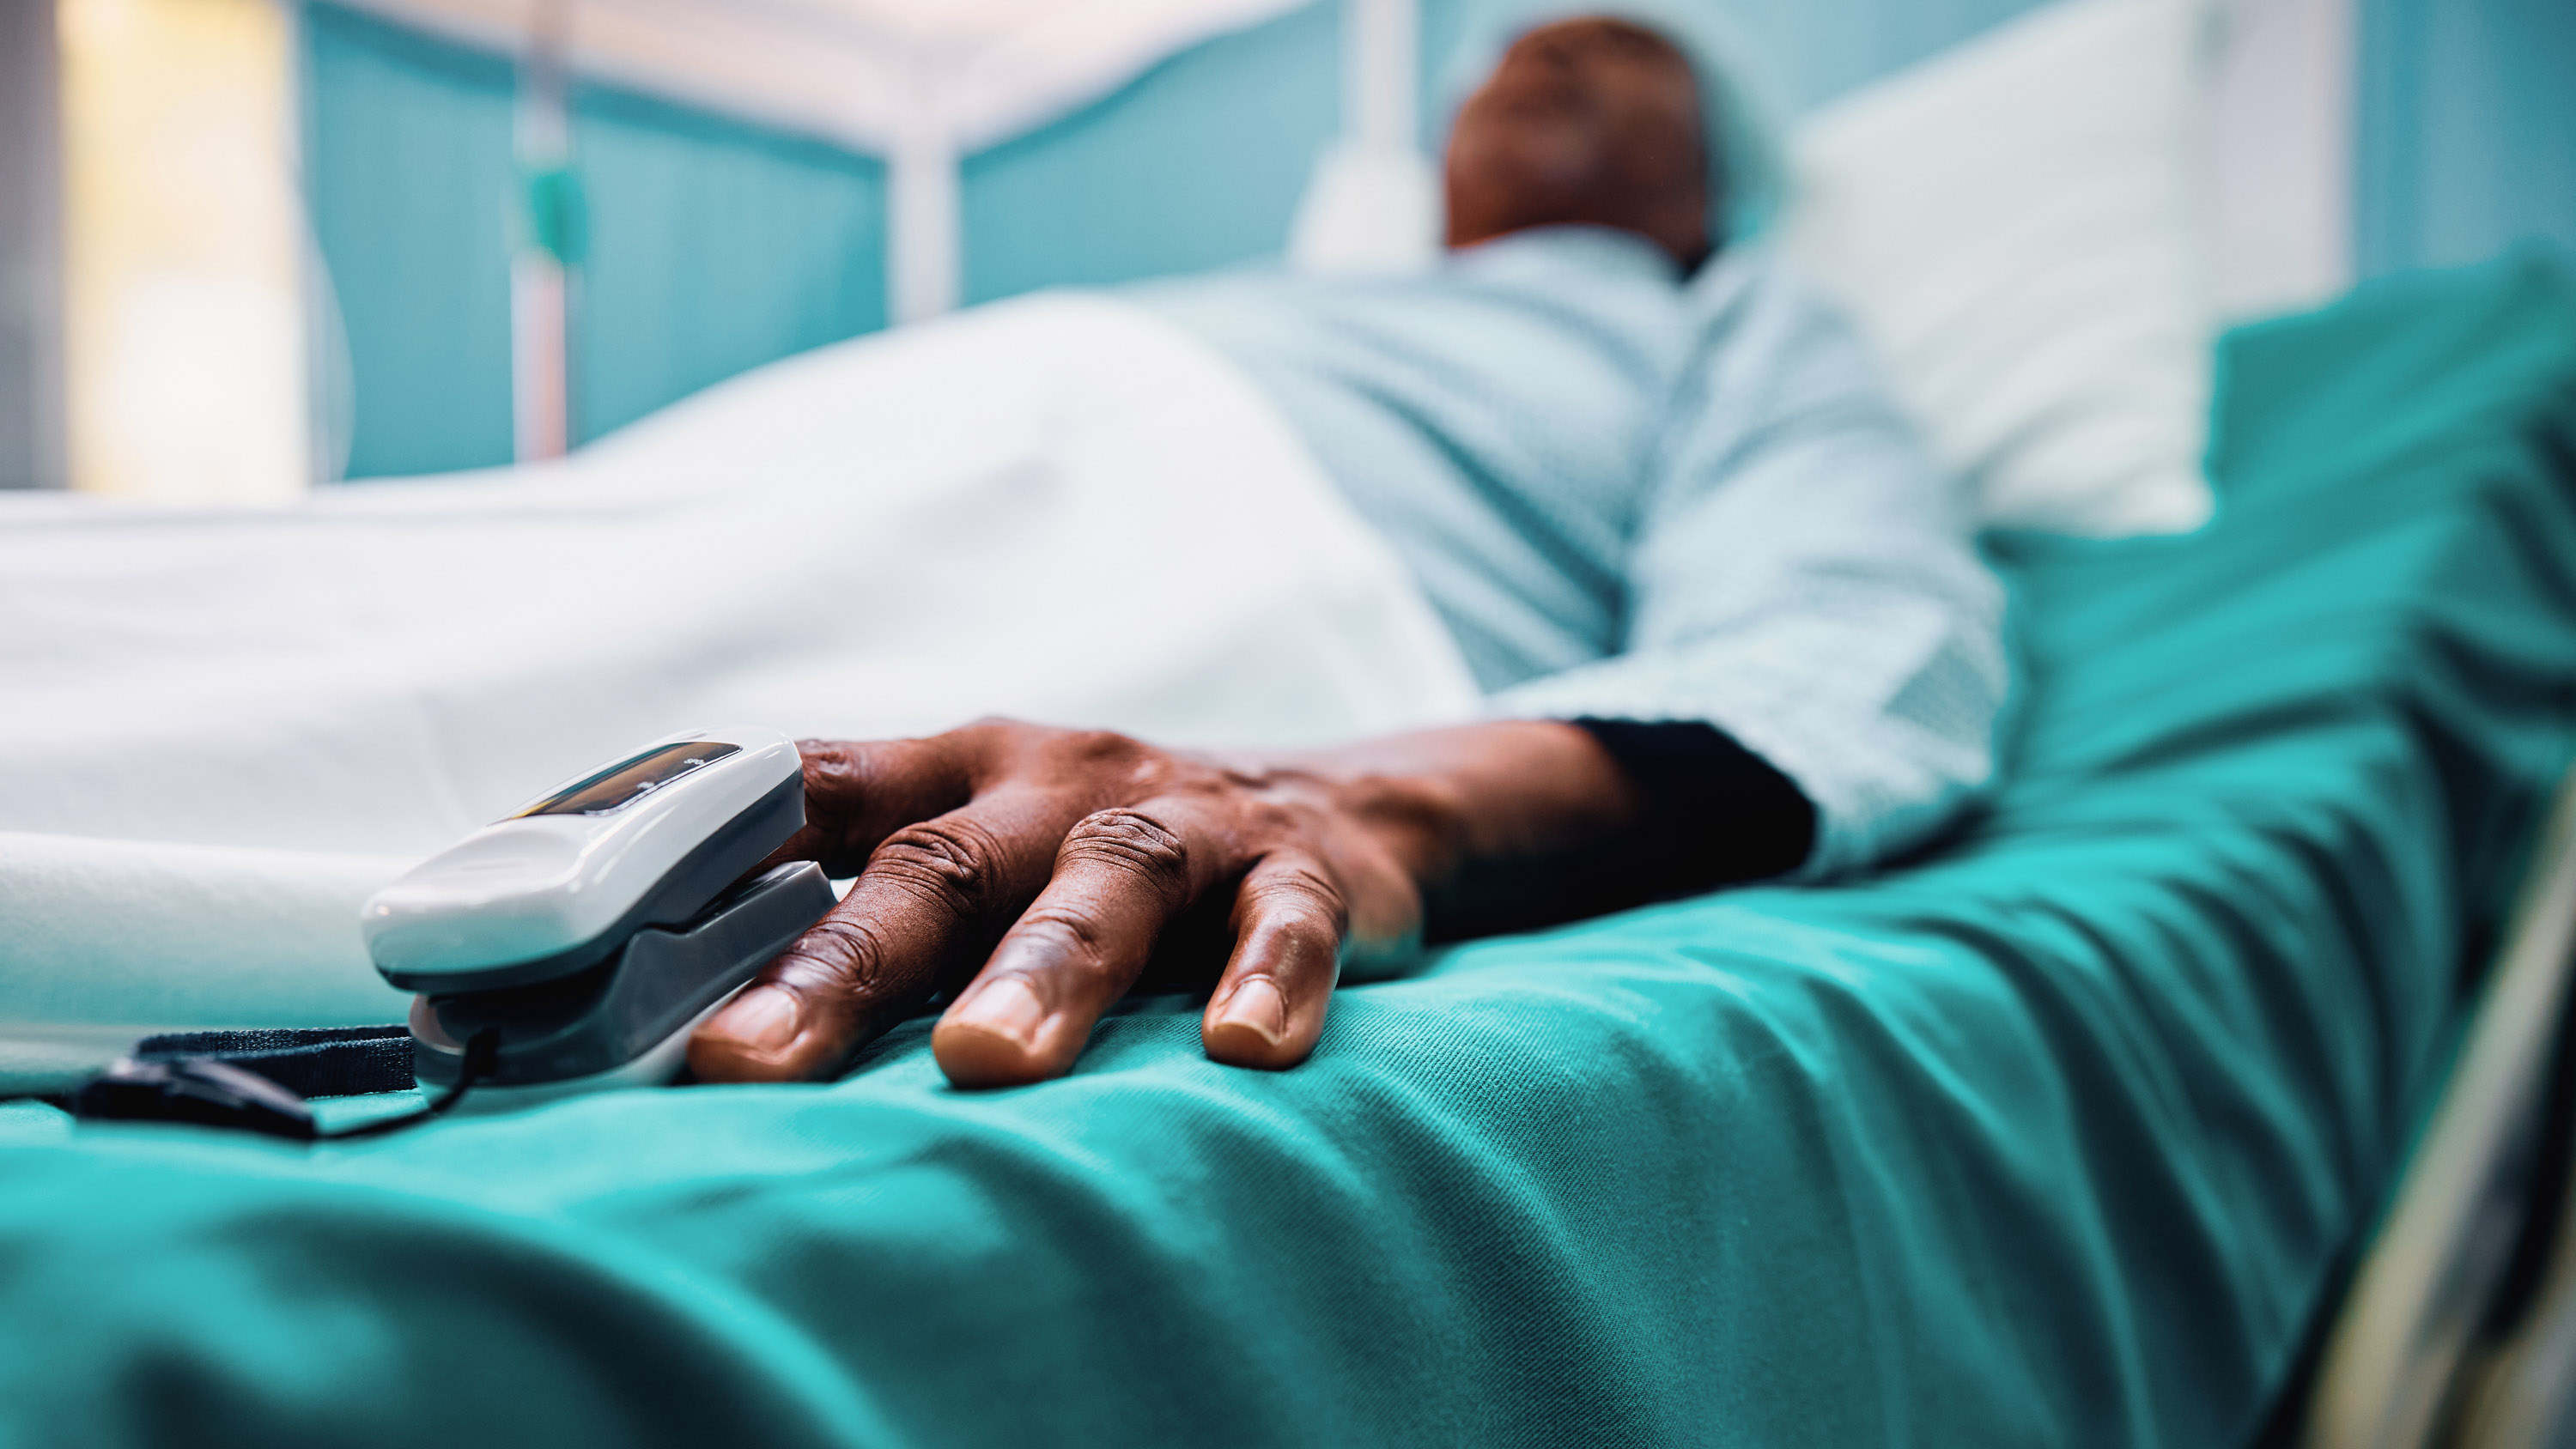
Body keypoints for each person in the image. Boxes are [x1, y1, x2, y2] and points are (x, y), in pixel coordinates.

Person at [685, 14, 2008, 1091]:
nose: (1544, 48)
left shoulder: (1730, 321)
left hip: (1225, 552)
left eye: (1626, 48)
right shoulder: (1295, 297)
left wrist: (1364, 800)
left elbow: (1855, 639)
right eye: (1507, 49)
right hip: (830, 437)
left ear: (1718, 183)